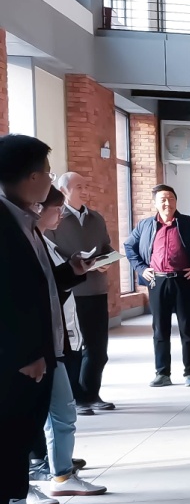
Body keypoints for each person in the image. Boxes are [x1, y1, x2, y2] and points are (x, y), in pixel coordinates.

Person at [0, 134, 77, 504]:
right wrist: (24, 353)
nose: (50, 179)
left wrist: (72, 273)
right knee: (8, 438)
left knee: (23, 436)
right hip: (16, 358)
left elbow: (38, 286)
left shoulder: (25, 220)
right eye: (47, 172)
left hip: (40, 351)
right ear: (32, 177)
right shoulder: (3, 223)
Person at [35, 186, 107, 498]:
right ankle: (25, 484)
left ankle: (62, 474)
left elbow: (51, 285)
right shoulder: (21, 239)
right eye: (57, 208)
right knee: (33, 417)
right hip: (33, 346)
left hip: (54, 340)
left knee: (63, 412)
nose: (61, 214)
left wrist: (74, 270)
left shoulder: (41, 241)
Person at [124, 184, 190, 388]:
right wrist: (141, 268)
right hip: (156, 281)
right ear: (155, 203)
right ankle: (162, 373)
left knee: (188, 327)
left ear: (176, 201)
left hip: (184, 280)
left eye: (171, 198)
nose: (167, 203)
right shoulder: (144, 225)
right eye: (163, 199)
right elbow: (129, 247)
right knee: (160, 329)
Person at [49, 171, 116, 414]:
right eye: (79, 187)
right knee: (74, 348)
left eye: (86, 186)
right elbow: (52, 255)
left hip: (96, 290)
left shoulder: (96, 218)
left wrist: (108, 259)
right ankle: (76, 398)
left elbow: (106, 247)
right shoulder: (54, 219)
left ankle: (91, 394)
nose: (85, 191)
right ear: (63, 190)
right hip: (70, 294)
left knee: (98, 349)